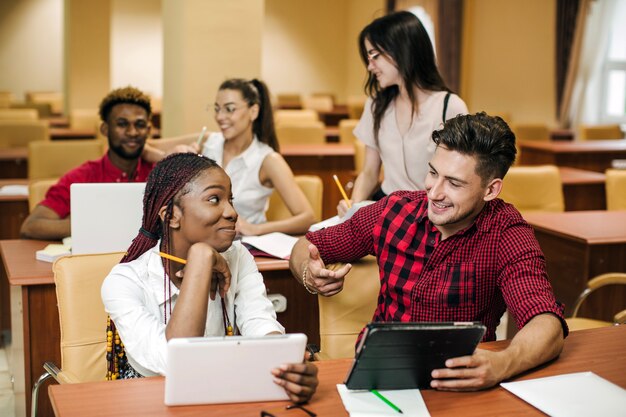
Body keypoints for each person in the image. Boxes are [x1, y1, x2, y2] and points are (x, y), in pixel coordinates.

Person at [290, 113, 568, 391]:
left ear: (491, 189)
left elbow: (546, 322)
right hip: (381, 375)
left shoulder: (506, 232)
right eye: (433, 173)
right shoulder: (395, 211)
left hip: (462, 381)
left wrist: (503, 364)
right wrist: (308, 273)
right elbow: (306, 246)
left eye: (454, 183)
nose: (433, 192)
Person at [101, 152, 318, 402]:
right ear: (171, 216)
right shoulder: (124, 281)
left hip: (221, 390)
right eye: (214, 199)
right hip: (150, 400)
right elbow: (175, 361)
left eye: (231, 200)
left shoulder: (238, 257)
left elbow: (259, 322)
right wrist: (201, 259)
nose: (232, 212)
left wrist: (285, 363)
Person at [145, 78, 315, 236]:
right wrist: (171, 155)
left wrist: (255, 229)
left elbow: (307, 218)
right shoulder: (207, 142)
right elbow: (146, 146)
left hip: (245, 247)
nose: (220, 117)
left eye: (230, 109)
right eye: (217, 109)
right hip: (201, 241)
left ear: (253, 111)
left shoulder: (268, 160)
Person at [339, 11, 468, 216]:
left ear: (401, 50)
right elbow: (369, 172)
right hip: (387, 208)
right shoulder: (376, 105)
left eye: (374, 55)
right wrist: (353, 206)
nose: (370, 66)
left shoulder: (449, 107)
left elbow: (460, 179)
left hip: (432, 214)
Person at [20, 86, 154, 240]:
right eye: (122, 124)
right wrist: (91, 225)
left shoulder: (159, 173)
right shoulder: (81, 177)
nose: (132, 132)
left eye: (140, 125)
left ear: (148, 130)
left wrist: (159, 154)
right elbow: (31, 226)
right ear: (105, 129)